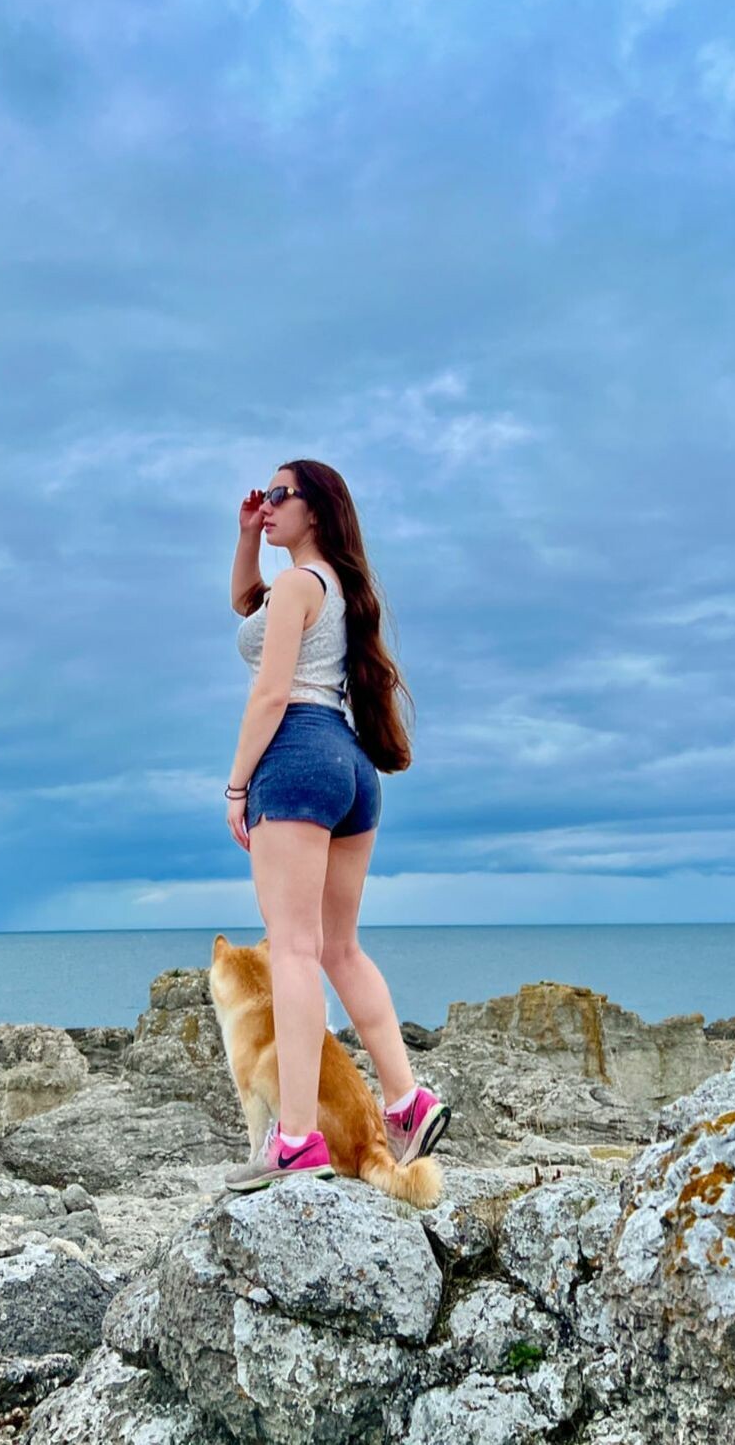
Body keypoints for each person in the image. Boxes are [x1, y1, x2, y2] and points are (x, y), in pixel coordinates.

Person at [222, 457, 450, 1189]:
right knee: (339, 948)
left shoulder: (299, 585)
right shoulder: (334, 588)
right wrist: (248, 534)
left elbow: (270, 694)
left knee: (292, 950)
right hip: (351, 767)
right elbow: (245, 607)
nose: (267, 503)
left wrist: (236, 786)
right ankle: (407, 1100)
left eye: (278, 495)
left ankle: (294, 1139)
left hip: (294, 755)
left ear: (315, 509)